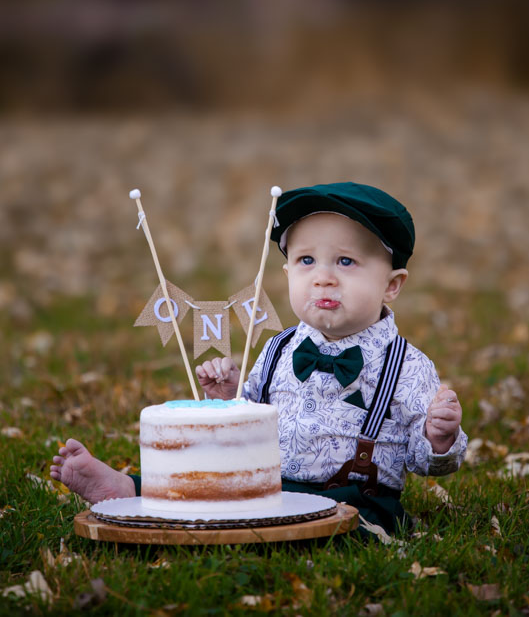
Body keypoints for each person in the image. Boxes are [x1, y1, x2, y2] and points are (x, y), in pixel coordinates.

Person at [51, 182, 467, 535]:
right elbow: (251, 422)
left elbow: (422, 459)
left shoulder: (407, 365)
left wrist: (439, 438)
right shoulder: (278, 347)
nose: (324, 276)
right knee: (210, 487)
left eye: (346, 261)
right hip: (267, 486)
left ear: (392, 286)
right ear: (287, 275)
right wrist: (230, 397)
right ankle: (128, 490)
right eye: (306, 260)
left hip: (355, 497)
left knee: (343, 526)